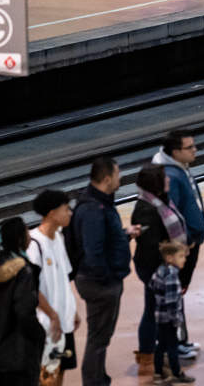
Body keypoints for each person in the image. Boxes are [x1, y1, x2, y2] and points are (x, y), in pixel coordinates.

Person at [72, 157, 140, 386]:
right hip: (99, 283)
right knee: (98, 338)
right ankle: (94, 381)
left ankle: (99, 378)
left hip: (100, 280)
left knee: (101, 336)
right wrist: (108, 279)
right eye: (118, 175)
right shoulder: (93, 208)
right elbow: (94, 250)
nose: (120, 180)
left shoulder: (98, 202)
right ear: (108, 178)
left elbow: (102, 240)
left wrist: (124, 234)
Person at [151, 130, 204, 360]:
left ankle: (179, 340)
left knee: (178, 295)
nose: (195, 150)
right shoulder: (171, 176)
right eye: (190, 147)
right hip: (182, 247)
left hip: (189, 244)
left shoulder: (179, 170)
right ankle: (171, 344)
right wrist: (183, 243)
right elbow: (171, 212)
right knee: (173, 296)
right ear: (175, 152)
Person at [0, 217, 45, 386]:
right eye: (26, 232)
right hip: (18, 354)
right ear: (20, 239)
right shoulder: (23, 271)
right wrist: (39, 334)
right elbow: (24, 312)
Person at [130, 164, 188, 371]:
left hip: (161, 265)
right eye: (164, 178)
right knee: (153, 309)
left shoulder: (158, 201)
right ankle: (147, 353)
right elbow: (151, 245)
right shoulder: (146, 209)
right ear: (155, 184)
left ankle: (153, 351)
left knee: (154, 308)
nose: (168, 180)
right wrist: (173, 256)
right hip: (154, 268)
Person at [26, 191, 79, 386]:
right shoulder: (34, 244)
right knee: (45, 376)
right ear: (51, 213)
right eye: (66, 209)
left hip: (63, 321)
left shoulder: (58, 237)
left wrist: (72, 309)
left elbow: (63, 277)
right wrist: (53, 315)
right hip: (47, 323)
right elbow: (32, 287)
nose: (70, 213)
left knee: (60, 371)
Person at [149, 243, 195, 385]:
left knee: (161, 345)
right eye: (180, 256)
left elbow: (152, 285)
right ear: (169, 258)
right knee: (172, 346)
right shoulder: (172, 276)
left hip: (160, 317)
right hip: (169, 319)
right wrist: (176, 320)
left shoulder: (160, 271)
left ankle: (158, 373)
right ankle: (176, 373)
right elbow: (172, 302)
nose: (184, 260)